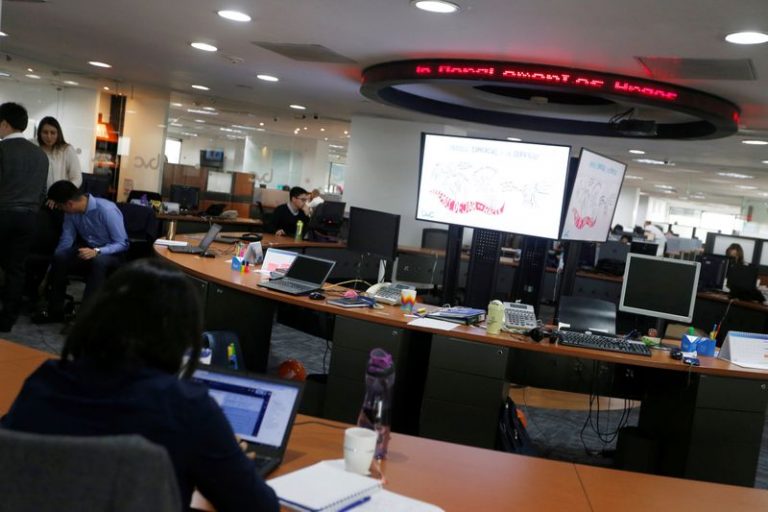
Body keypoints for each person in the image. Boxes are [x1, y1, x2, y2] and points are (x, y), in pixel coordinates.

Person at [2, 259, 279, 511]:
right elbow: (259, 507)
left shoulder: (46, 380)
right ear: (183, 335)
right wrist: (229, 460)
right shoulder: (185, 406)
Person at [33, 180, 129, 323]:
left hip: (112, 253)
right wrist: (50, 269)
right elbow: (66, 240)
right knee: (60, 256)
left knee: (98, 261)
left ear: (69, 204)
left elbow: (123, 243)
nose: (61, 210)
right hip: (88, 250)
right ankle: (55, 311)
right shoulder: (71, 213)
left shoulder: (106, 210)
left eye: (60, 207)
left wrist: (97, 251)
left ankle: (84, 318)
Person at [0, 102, 49, 331]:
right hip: (29, 218)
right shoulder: (40, 155)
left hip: (3, 212)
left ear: (5, 124)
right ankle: (8, 318)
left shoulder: (2, 149)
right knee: (16, 268)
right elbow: (42, 192)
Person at [37, 116, 82, 190]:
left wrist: (61, 194)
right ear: (39, 133)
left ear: (58, 134)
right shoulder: (35, 148)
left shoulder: (67, 150)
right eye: (45, 132)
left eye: (53, 133)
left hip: (60, 198)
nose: (49, 136)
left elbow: (77, 179)